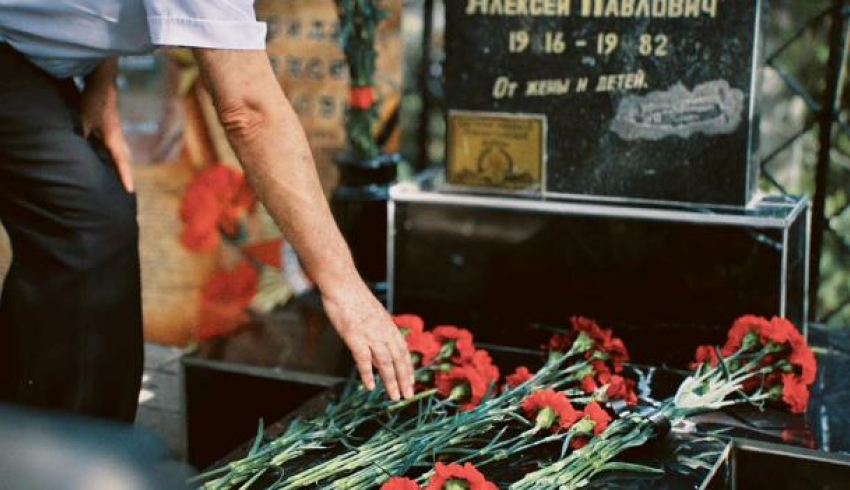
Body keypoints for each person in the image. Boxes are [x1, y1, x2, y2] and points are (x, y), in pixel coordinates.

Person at [0, 0, 414, 423]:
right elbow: (248, 112)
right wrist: (343, 286)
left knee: (101, 217)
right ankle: (62, 458)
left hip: (35, 60)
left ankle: (56, 433)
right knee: (85, 231)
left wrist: (102, 84)